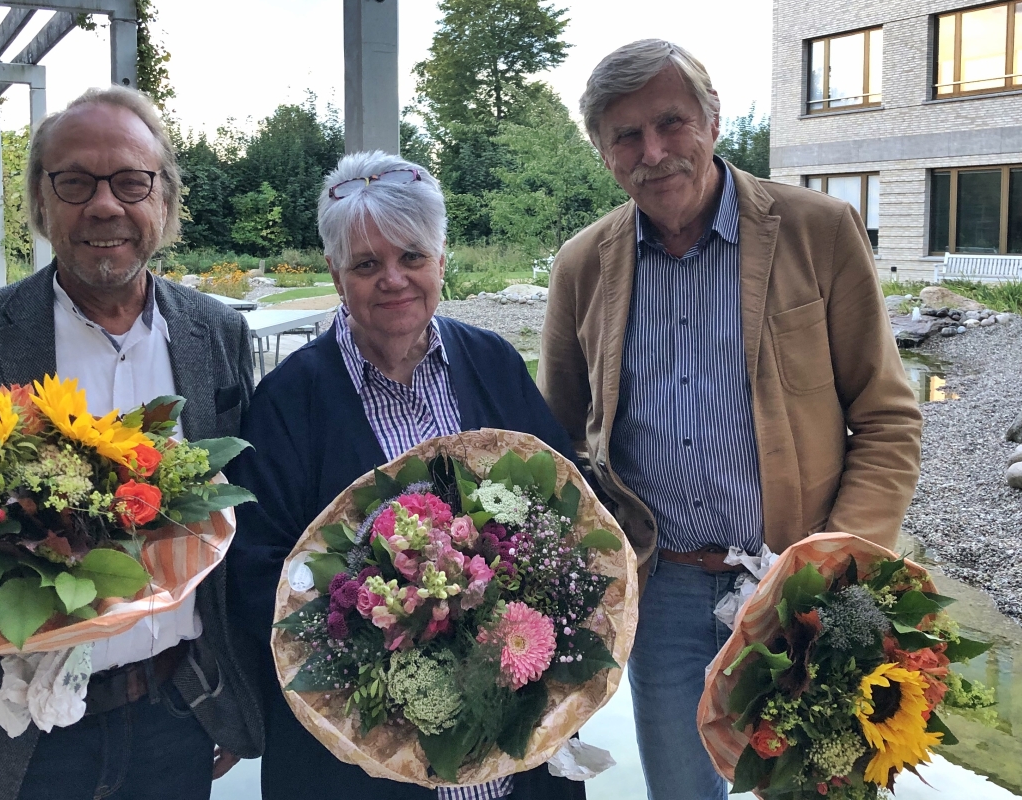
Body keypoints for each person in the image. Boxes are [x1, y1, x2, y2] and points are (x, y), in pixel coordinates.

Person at [537, 39, 922, 800]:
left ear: (712, 122)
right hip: (664, 596)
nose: (653, 152)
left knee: (820, 785)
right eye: (625, 135)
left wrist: (831, 571)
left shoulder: (819, 230)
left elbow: (885, 421)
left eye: (671, 122)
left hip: (802, 584)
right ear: (602, 153)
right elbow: (561, 451)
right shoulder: (581, 267)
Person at [0, 86, 262, 800]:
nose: (105, 205)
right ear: (40, 204)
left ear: (164, 200)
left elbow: (241, 535)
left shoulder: (217, 337)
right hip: (7, 738)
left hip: (171, 722)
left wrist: (226, 700)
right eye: (75, 182)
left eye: (130, 181)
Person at [225, 151, 586, 800]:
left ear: (441, 262)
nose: (393, 279)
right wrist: (371, 642)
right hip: (364, 753)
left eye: (412, 257)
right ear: (336, 276)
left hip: (511, 734)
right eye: (366, 264)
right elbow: (256, 571)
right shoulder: (287, 400)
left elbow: (564, 510)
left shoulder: (493, 363)